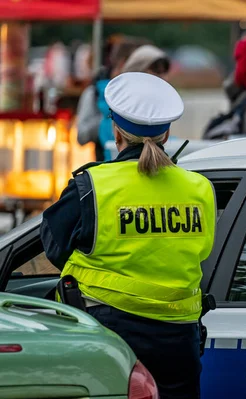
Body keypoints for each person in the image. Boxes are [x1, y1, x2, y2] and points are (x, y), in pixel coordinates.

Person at [40, 72, 216, 399]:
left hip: (107, 340)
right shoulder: (199, 188)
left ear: (116, 131)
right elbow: (201, 251)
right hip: (179, 346)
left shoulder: (91, 187)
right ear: (166, 133)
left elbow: (52, 244)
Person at [76, 38, 145, 161]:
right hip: (106, 168)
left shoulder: (139, 93)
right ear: (124, 63)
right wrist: (110, 118)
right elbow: (81, 136)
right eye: (141, 65)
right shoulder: (94, 93)